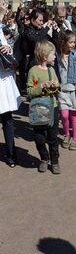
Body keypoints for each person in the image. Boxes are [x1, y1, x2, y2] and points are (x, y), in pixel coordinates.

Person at [27, 41, 61, 174]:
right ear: (45, 56)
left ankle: (55, 161)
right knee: (39, 138)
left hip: (52, 107)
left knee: (53, 137)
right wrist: (41, 87)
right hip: (38, 109)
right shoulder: (33, 71)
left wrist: (54, 86)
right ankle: (44, 158)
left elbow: (58, 88)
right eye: (53, 54)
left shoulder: (52, 70)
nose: (55, 57)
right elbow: (29, 91)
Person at [56, 30, 76, 150]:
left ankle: (75, 138)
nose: (73, 44)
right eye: (70, 42)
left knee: (74, 115)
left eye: (74, 42)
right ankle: (66, 134)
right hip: (62, 89)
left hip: (74, 89)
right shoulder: (57, 55)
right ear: (63, 42)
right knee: (64, 115)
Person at [0, 24, 21, 167]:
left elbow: (8, 49)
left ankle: (11, 154)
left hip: (3, 81)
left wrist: (8, 48)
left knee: (7, 120)